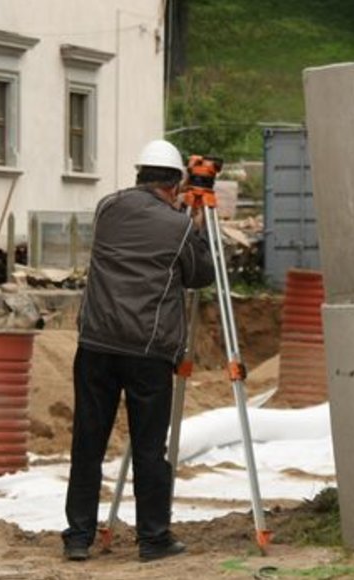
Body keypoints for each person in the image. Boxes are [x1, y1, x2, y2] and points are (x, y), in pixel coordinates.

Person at [62, 140, 215, 562]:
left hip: (95, 344)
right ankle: (153, 538)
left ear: (139, 175)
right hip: (146, 351)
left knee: (87, 445)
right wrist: (196, 226)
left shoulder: (107, 208)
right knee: (149, 448)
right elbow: (199, 276)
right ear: (175, 184)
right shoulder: (179, 226)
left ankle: (78, 537)